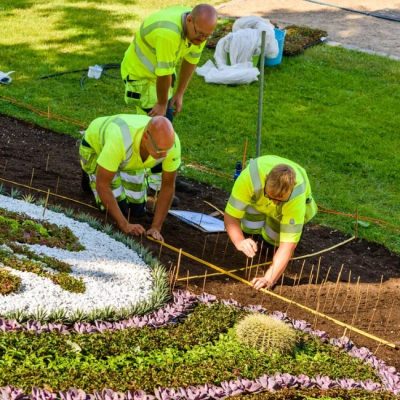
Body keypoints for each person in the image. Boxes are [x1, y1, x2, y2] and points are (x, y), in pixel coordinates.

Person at [79, 114, 180, 241]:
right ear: (145, 137)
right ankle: (88, 175)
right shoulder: (120, 138)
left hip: (128, 159)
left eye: (167, 150)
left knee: (137, 210)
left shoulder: (170, 144)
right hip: (96, 148)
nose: (164, 155)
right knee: (119, 209)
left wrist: (156, 227)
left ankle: (117, 169)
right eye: (159, 151)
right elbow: (103, 184)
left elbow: (168, 185)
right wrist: (124, 224)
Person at [224, 155, 318, 290]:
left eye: (280, 200)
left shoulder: (296, 196)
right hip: (257, 203)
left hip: (282, 213)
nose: (274, 202)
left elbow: (288, 246)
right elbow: (231, 216)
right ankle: (252, 237)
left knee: (272, 241)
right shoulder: (249, 179)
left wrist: (269, 278)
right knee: (248, 227)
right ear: (265, 181)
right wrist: (239, 241)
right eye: (271, 196)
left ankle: (267, 243)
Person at [121, 4, 218, 121]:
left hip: (160, 74)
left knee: (159, 124)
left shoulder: (200, 29)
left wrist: (179, 93)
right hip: (140, 76)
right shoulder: (169, 34)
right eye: (200, 34)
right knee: (157, 125)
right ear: (189, 20)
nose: (202, 39)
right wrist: (162, 104)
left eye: (207, 36)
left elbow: (190, 61)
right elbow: (163, 73)